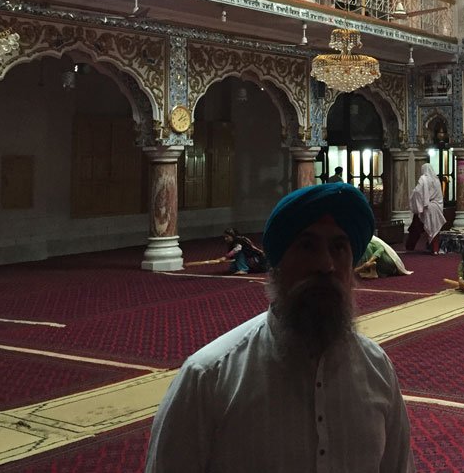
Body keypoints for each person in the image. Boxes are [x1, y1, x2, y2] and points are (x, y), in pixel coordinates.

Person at [146, 183, 415, 472]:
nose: (325, 265)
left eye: (339, 247)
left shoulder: (377, 371)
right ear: (276, 263)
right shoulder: (210, 377)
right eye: (307, 246)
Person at [405, 163, 445, 254]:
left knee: (419, 227)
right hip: (436, 207)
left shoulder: (423, 179)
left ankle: (410, 246)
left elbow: (417, 192)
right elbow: (439, 195)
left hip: (426, 207)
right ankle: (435, 249)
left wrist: (416, 198)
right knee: (435, 229)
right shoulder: (436, 180)